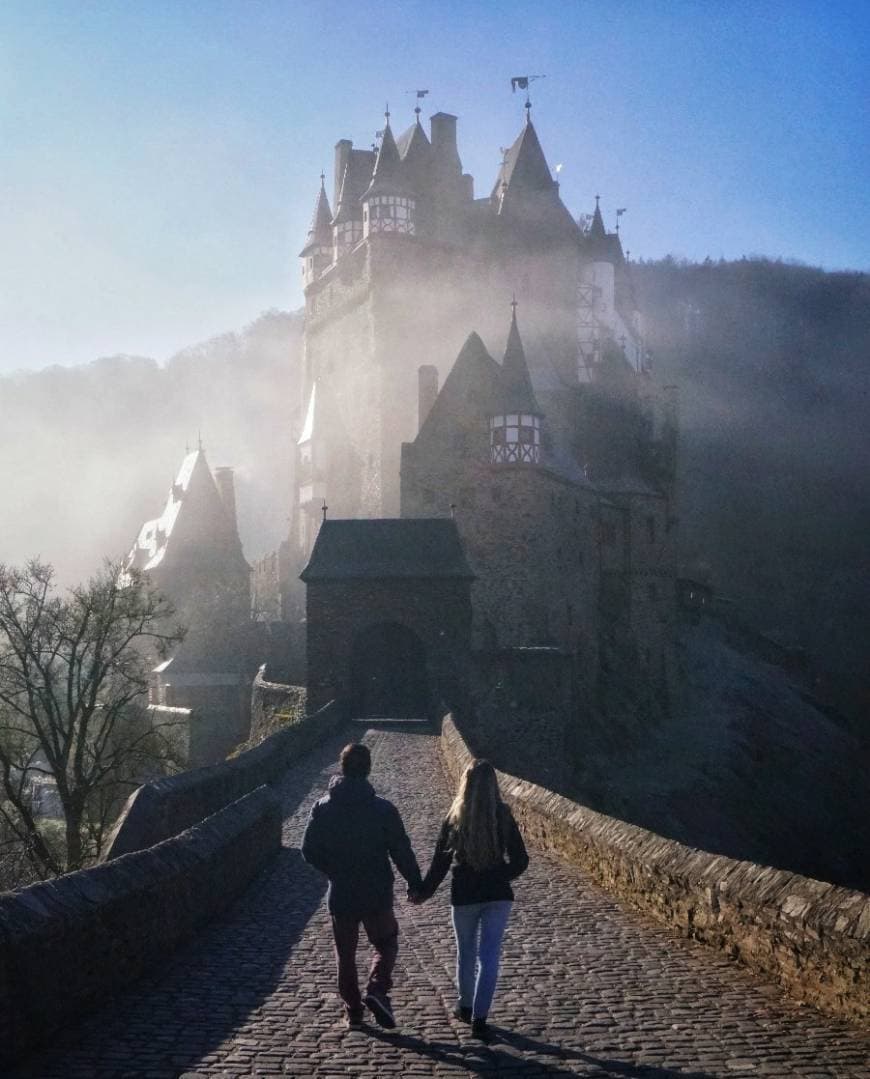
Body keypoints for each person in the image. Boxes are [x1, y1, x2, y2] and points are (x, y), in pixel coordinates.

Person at [301, 742, 422, 1030]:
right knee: (386, 941)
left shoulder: (322, 807)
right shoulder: (383, 809)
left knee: (346, 955)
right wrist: (415, 882)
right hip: (376, 891)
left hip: (341, 892)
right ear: (368, 769)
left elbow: (308, 850)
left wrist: (332, 871)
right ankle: (377, 988)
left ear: (341, 768)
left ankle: (353, 1010)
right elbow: (401, 850)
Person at [412, 758, 528, 1042]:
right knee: (489, 957)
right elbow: (521, 860)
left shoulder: (455, 816)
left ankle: (464, 1007)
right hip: (497, 896)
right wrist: (499, 876)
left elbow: (439, 863)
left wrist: (423, 891)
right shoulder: (503, 815)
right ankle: (480, 1017)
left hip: (464, 894)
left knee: (466, 952)